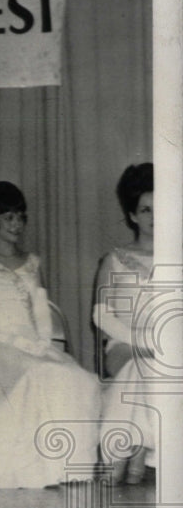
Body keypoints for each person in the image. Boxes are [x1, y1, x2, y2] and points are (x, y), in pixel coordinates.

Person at [0, 181, 101, 488]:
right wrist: (15, 342)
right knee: (42, 374)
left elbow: (40, 311)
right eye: (9, 217)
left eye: (21, 216)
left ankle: (68, 467)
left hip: (33, 344)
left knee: (76, 377)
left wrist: (44, 342)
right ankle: (38, 469)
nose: (17, 224)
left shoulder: (32, 263)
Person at [93, 163, 156, 483]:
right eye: (146, 209)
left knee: (158, 365)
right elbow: (101, 316)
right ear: (132, 215)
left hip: (170, 347)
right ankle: (131, 449)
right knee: (144, 365)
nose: (154, 217)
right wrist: (142, 343)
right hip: (123, 346)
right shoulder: (114, 259)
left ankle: (133, 448)